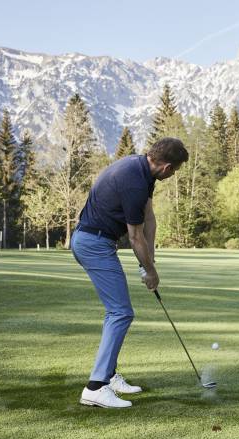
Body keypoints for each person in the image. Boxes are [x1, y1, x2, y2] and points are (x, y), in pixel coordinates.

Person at [72, 137, 188, 408]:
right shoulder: (134, 181)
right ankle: (95, 387)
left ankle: (109, 375)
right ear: (167, 167)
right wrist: (150, 272)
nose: (173, 176)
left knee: (117, 311)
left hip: (96, 241)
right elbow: (135, 237)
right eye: (176, 171)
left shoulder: (140, 169)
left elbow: (149, 218)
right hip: (93, 243)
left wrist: (151, 262)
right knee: (120, 312)